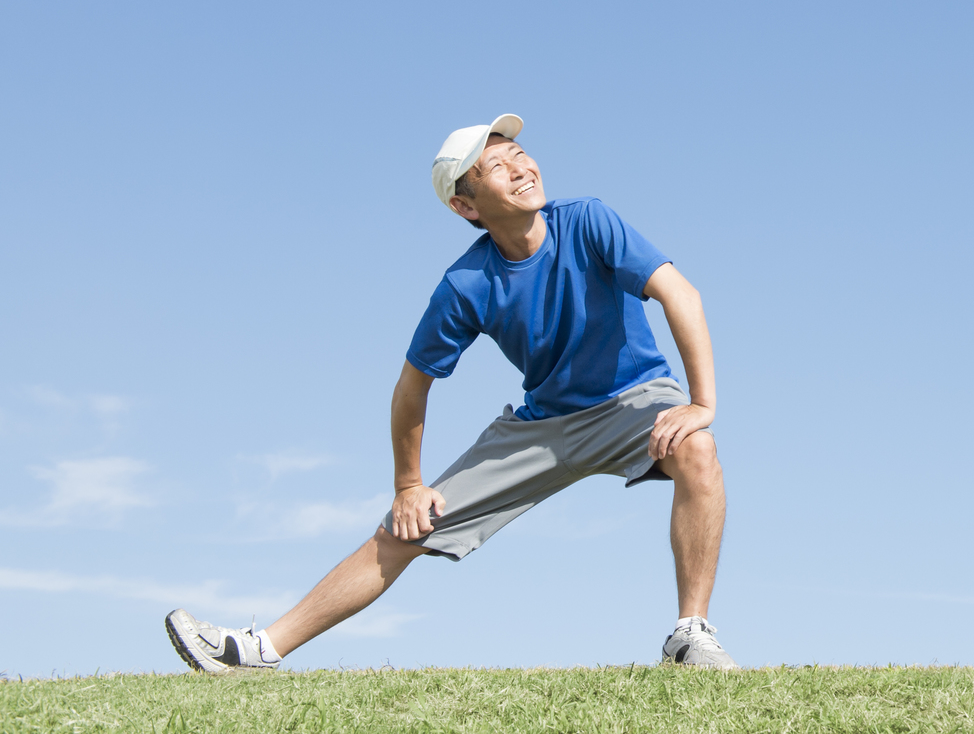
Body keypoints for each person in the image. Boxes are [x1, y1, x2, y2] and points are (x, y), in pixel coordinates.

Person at [165, 114, 737, 672]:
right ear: (466, 206)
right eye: (495, 166)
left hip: (631, 404)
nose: (519, 167)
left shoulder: (588, 220)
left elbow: (680, 295)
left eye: (518, 153)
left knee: (698, 449)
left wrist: (700, 402)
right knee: (408, 528)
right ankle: (257, 651)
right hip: (541, 428)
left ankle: (690, 635)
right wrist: (408, 485)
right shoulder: (465, 284)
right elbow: (412, 388)